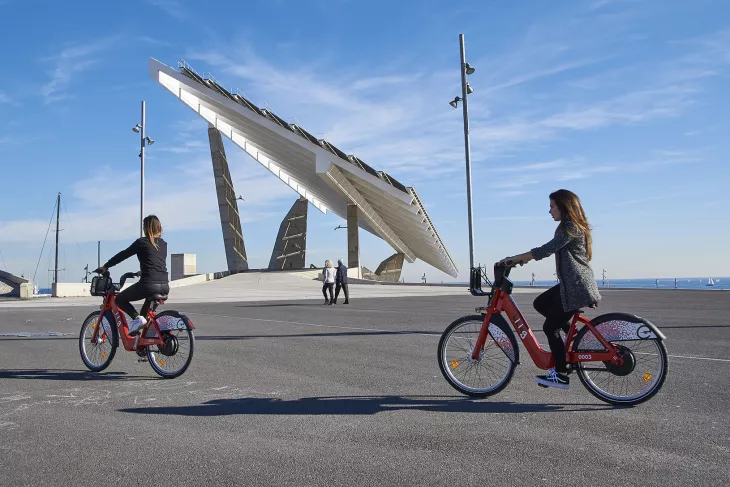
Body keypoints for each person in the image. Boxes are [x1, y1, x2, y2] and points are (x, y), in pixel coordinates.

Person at [498, 189, 601, 390]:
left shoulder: (571, 228)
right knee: (541, 303)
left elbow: (546, 249)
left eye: (552, 206)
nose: (549, 211)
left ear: (564, 207)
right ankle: (571, 335)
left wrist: (516, 258)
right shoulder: (569, 227)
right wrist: (520, 260)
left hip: (576, 287)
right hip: (573, 285)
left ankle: (561, 374)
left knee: (549, 327)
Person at [94, 215, 169, 335]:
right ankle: (144, 346)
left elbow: (123, 255)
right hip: (165, 285)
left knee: (119, 299)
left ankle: (136, 318)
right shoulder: (164, 244)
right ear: (159, 227)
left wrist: (106, 266)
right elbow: (156, 263)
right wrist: (142, 272)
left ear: (145, 228)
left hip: (148, 285)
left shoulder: (142, 242)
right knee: (145, 318)